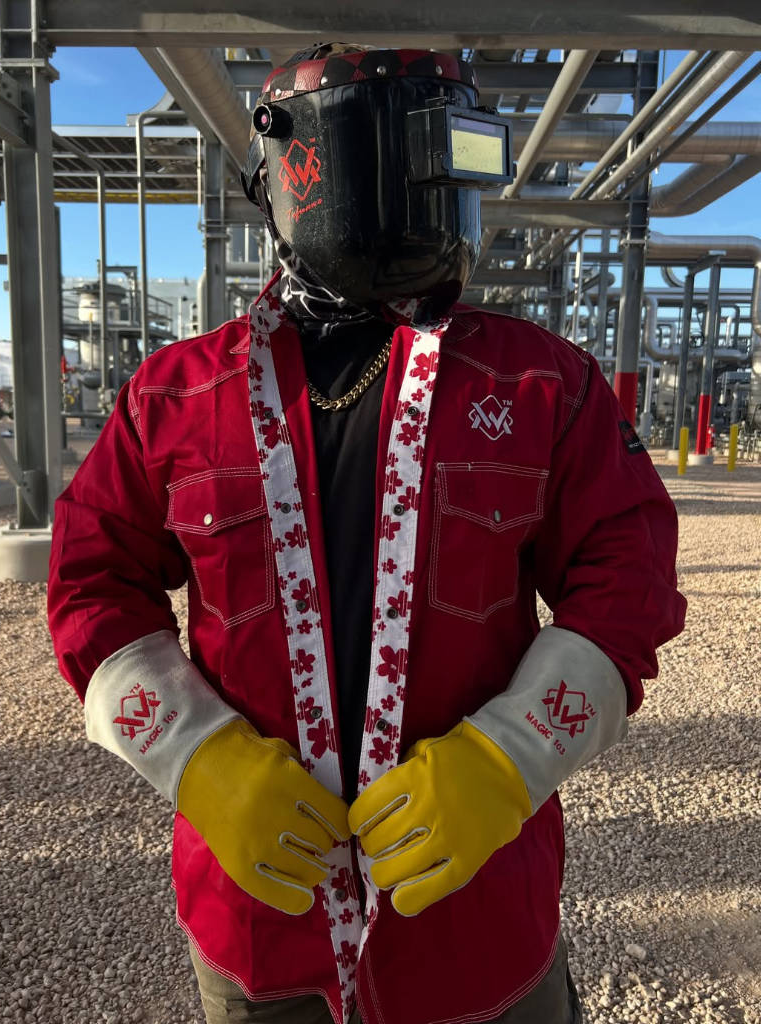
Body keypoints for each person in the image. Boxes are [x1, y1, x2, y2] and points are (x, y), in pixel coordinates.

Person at [48, 43, 687, 1024]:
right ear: (299, 164)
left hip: (477, 937)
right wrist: (198, 758)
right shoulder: (175, 396)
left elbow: (628, 574)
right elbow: (93, 580)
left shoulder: (544, 385)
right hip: (260, 930)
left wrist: (509, 756)